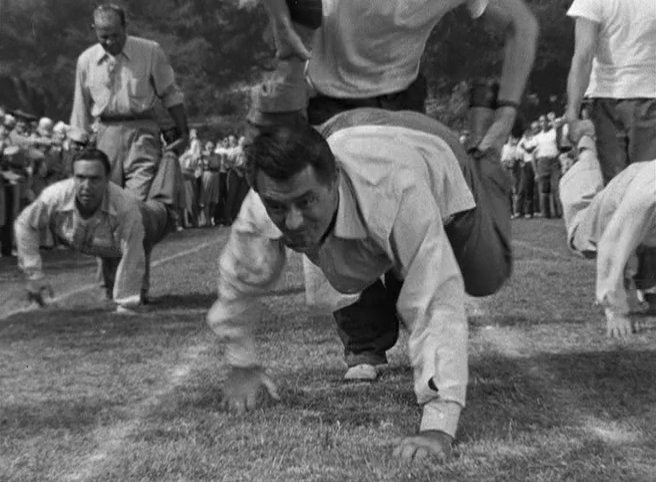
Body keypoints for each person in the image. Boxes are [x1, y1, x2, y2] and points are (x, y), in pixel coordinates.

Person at [208, 104, 515, 462]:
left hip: (433, 147)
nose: (292, 222)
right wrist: (241, 363)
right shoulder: (265, 198)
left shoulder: (397, 189)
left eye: (306, 201)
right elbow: (239, 282)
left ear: (334, 178)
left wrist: (438, 424)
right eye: (277, 207)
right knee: (348, 266)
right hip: (347, 129)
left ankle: (486, 159)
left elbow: (434, 301)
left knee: (485, 275)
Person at [251, 0, 538, 381]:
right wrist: (284, 36)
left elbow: (521, 25)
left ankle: (416, 318)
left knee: (404, 214)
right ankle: (363, 341)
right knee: (327, 221)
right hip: (327, 97)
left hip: (402, 94)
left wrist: (506, 111)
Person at [14, 147, 178, 313]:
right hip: (103, 240)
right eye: (80, 177)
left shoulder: (126, 211)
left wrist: (127, 303)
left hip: (148, 219)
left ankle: (170, 157)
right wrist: (34, 274)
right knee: (110, 267)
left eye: (94, 179)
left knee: (163, 202)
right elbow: (25, 224)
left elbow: (133, 254)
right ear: (72, 176)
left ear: (107, 179)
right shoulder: (54, 197)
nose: (86, 186)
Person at [69, 3, 189, 201]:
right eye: (104, 37)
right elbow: (80, 104)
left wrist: (183, 132)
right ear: (94, 30)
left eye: (115, 35)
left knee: (136, 200)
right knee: (107, 200)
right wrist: (77, 141)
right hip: (105, 136)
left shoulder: (150, 52)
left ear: (125, 27)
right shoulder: (86, 60)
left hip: (142, 134)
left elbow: (170, 94)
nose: (110, 42)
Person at [560, 133, 656, 338]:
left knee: (643, 242)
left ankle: (648, 287)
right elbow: (612, 245)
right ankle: (585, 148)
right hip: (608, 215)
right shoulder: (648, 195)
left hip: (640, 214)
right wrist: (617, 310)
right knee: (580, 234)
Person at [565, 0, 656, 185]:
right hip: (648, 97)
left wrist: (572, 114)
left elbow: (583, 56)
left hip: (604, 101)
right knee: (646, 185)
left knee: (613, 185)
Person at [534, 114, 561, 219]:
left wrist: (552, 119)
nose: (543, 123)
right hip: (542, 161)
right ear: (539, 124)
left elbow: (557, 128)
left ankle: (559, 212)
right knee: (544, 189)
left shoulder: (553, 132)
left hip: (553, 161)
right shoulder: (537, 137)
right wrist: (535, 171)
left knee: (556, 187)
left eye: (545, 121)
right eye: (541, 121)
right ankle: (546, 213)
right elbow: (532, 153)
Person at [515, 122, 537, 218]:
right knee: (521, 188)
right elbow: (517, 153)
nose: (527, 132)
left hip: (531, 163)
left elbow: (531, 150)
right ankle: (519, 210)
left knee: (529, 188)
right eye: (526, 131)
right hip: (524, 164)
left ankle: (529, 211)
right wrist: (520, 160)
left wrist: (524, 148)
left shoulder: (534, 139)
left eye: (529, 131)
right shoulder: (522, 141)